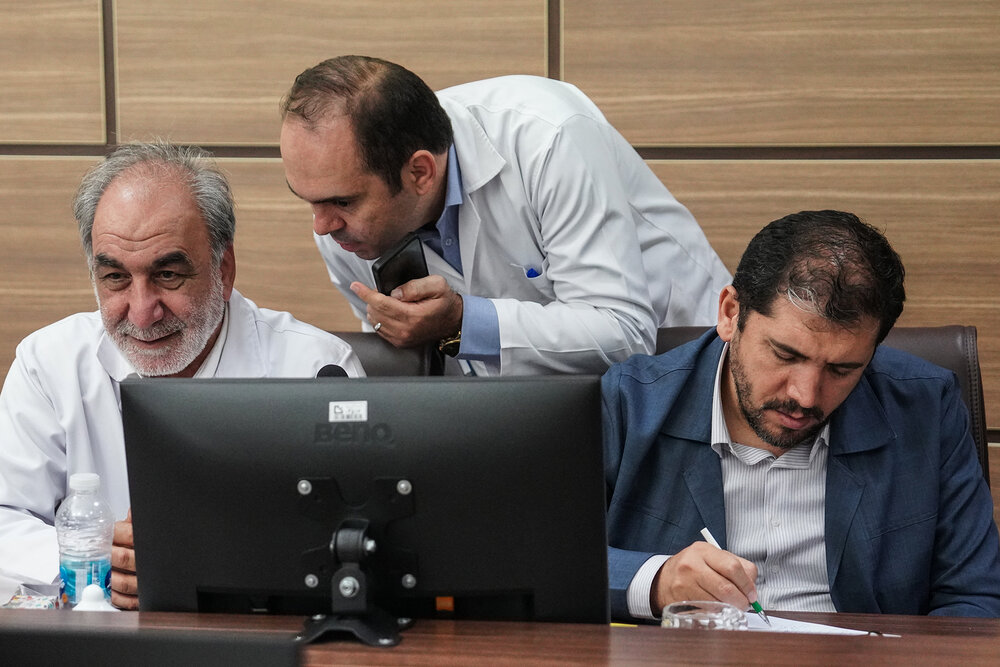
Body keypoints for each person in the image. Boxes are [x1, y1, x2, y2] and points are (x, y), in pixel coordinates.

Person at [0, 142, 365, 609]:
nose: (142, 312)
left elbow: (356, 542)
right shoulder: (49, 363)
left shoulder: (316, 369)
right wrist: (92, 558)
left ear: (223, 270)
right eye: (115, 278)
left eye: (168, 275)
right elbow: (6, 517)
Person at [603, 210, 1000, 620]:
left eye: (842, 370)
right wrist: (656, 581)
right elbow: (558, 560)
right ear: (730, 313)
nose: (806, 396)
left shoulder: (925, 408)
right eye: (786, 355)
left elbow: (975, 596)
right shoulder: (630, 403)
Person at [279, 55, 731, 376]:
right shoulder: (342, 226)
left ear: (420, 172)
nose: (322, 226)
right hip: (525, 415)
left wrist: (462, 322)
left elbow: (622, 332)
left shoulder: (548, 137)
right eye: (308, 201)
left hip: (680, 362)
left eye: (342, 202)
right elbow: (415, 363)